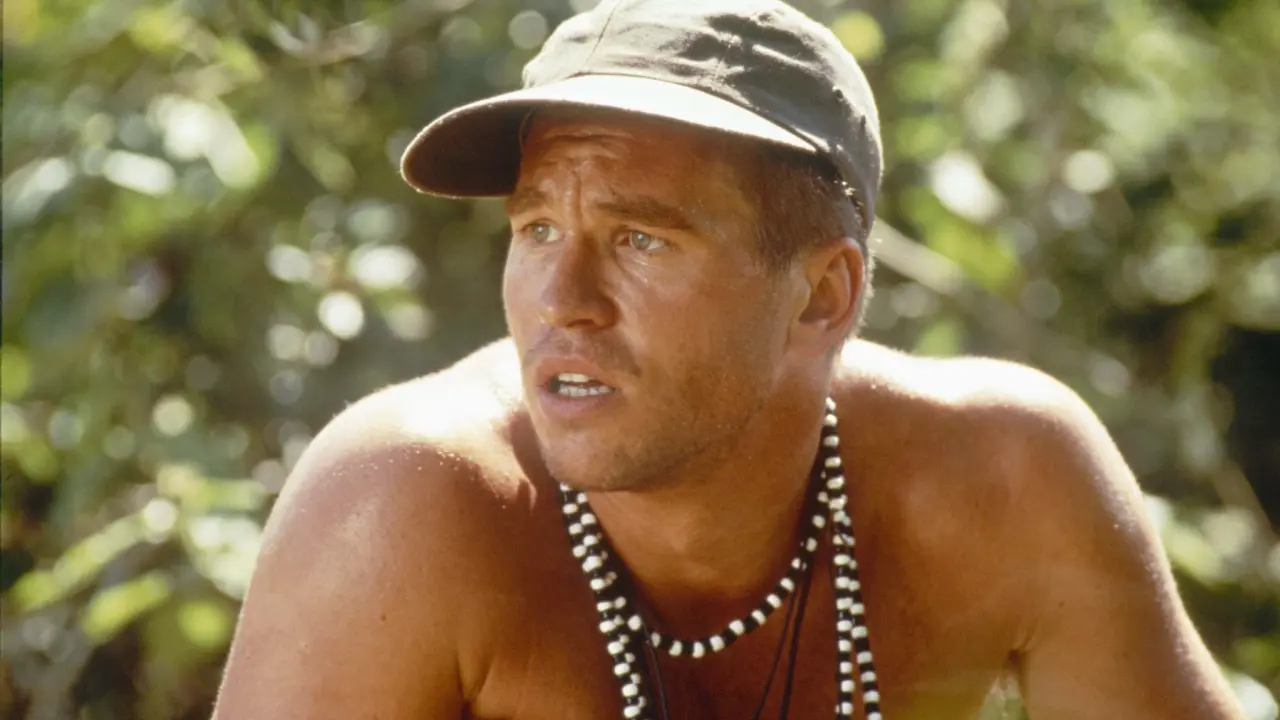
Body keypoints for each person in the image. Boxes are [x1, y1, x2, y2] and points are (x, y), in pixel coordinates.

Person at [212, 1, 1245, 718]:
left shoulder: (1002, 480)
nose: (561, 301)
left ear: (822, 296)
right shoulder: (405, 503)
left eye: (640, 240)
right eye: (536, 229)